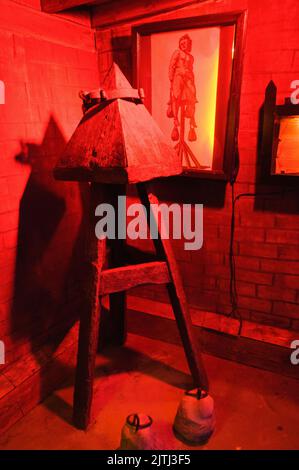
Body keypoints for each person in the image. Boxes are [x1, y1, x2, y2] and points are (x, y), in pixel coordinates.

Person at [167, 34, 197, 142]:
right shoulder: (177, 53)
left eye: (186, 43)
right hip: (178, 76)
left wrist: (191, 79)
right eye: (182, 43)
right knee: (177, 95)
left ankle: (191, 117)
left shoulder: (191, 57)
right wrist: (171, 78)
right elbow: (171, 65)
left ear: (189, 44)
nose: (184, 45)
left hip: (188, 77)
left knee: (192, 93)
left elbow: (191, 69)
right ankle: (175, 120)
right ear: (180, 44)